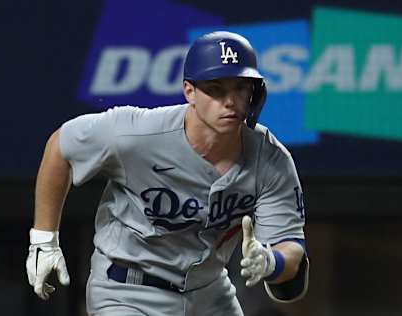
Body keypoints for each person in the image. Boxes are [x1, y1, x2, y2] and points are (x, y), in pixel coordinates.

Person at [26, 31, 309, 316]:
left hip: (209, 293)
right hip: (127, 291)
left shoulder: (270, 159)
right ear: (190, 91)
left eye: (240, 88)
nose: (230, 101)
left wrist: (272, 262)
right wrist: (43, 240)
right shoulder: (137, 133)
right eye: (216, 88)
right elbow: (60, 146)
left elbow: (292, 249)